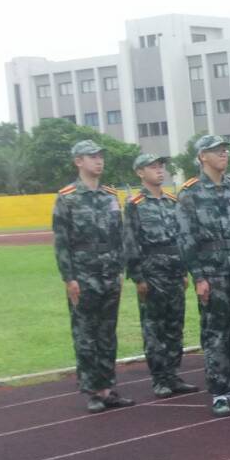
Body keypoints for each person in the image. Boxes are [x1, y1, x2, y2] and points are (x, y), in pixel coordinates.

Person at [176, 135, 230, 417]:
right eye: (217, 151)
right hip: (212, 273)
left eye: (225, 150)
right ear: (202, 156)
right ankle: (219, 393)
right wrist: (198, 277)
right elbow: (186, 238)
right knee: (215, 334)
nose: (224, 154)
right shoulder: (190, 192)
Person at [53, 139, 134, 413]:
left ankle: (108, 388)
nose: (99, 161)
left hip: (109, 273)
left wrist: (120, 270)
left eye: (100, 156)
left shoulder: (109, 196)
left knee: (107, 334)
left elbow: (119, 237)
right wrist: (69, 278)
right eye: (92, 156)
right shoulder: (67, 197)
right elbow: (61, 242)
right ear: (79, 161)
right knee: (86, 335)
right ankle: (92, 391)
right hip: (84, 275)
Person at [123, 153, 196, 399]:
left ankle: (173, 375)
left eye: (161, 166)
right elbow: (130, 242)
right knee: (154, 328)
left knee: (175, 326)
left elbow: (181, 238)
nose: (159, 170)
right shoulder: (135, 204)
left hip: (174, 271)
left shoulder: (172, 202)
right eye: (152, 167)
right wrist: (138, 277)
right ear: (140, 173)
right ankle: (160, 379)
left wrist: (184, 270)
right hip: (152, 273)